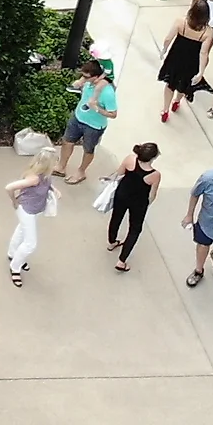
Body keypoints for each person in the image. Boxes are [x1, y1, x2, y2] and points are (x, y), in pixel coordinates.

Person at [3, 146, 58, 286]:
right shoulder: (34, 178)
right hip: (26, 210)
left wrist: (54, 190)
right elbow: (9, 187)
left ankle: (12, 253)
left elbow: (47, 184)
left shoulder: (45, 174)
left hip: (35, 209)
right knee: (30, 243)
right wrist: (14, 201)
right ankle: (15, 266)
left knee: (21, 231)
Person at [105, 140, 162, 272]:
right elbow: (152, 195)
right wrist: (147, 204)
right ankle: (121, 261)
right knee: (135, 229)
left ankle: (112, 241)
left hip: (122, 194)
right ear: (153, 157)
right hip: (139, 203)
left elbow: (119, 173)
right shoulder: (155, 175)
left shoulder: (130, 159)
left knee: (116, 217)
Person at [60, 59, 116, 182]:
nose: (83, 78)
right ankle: (61, 167)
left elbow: (113, 114)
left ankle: (81, 172)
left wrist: (97, 109)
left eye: (87, 77)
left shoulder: (108, 93)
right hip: (78, 117)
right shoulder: (87, 83)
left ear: (97, 77)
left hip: (94, 126)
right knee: (67, 142)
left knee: (88, 150)